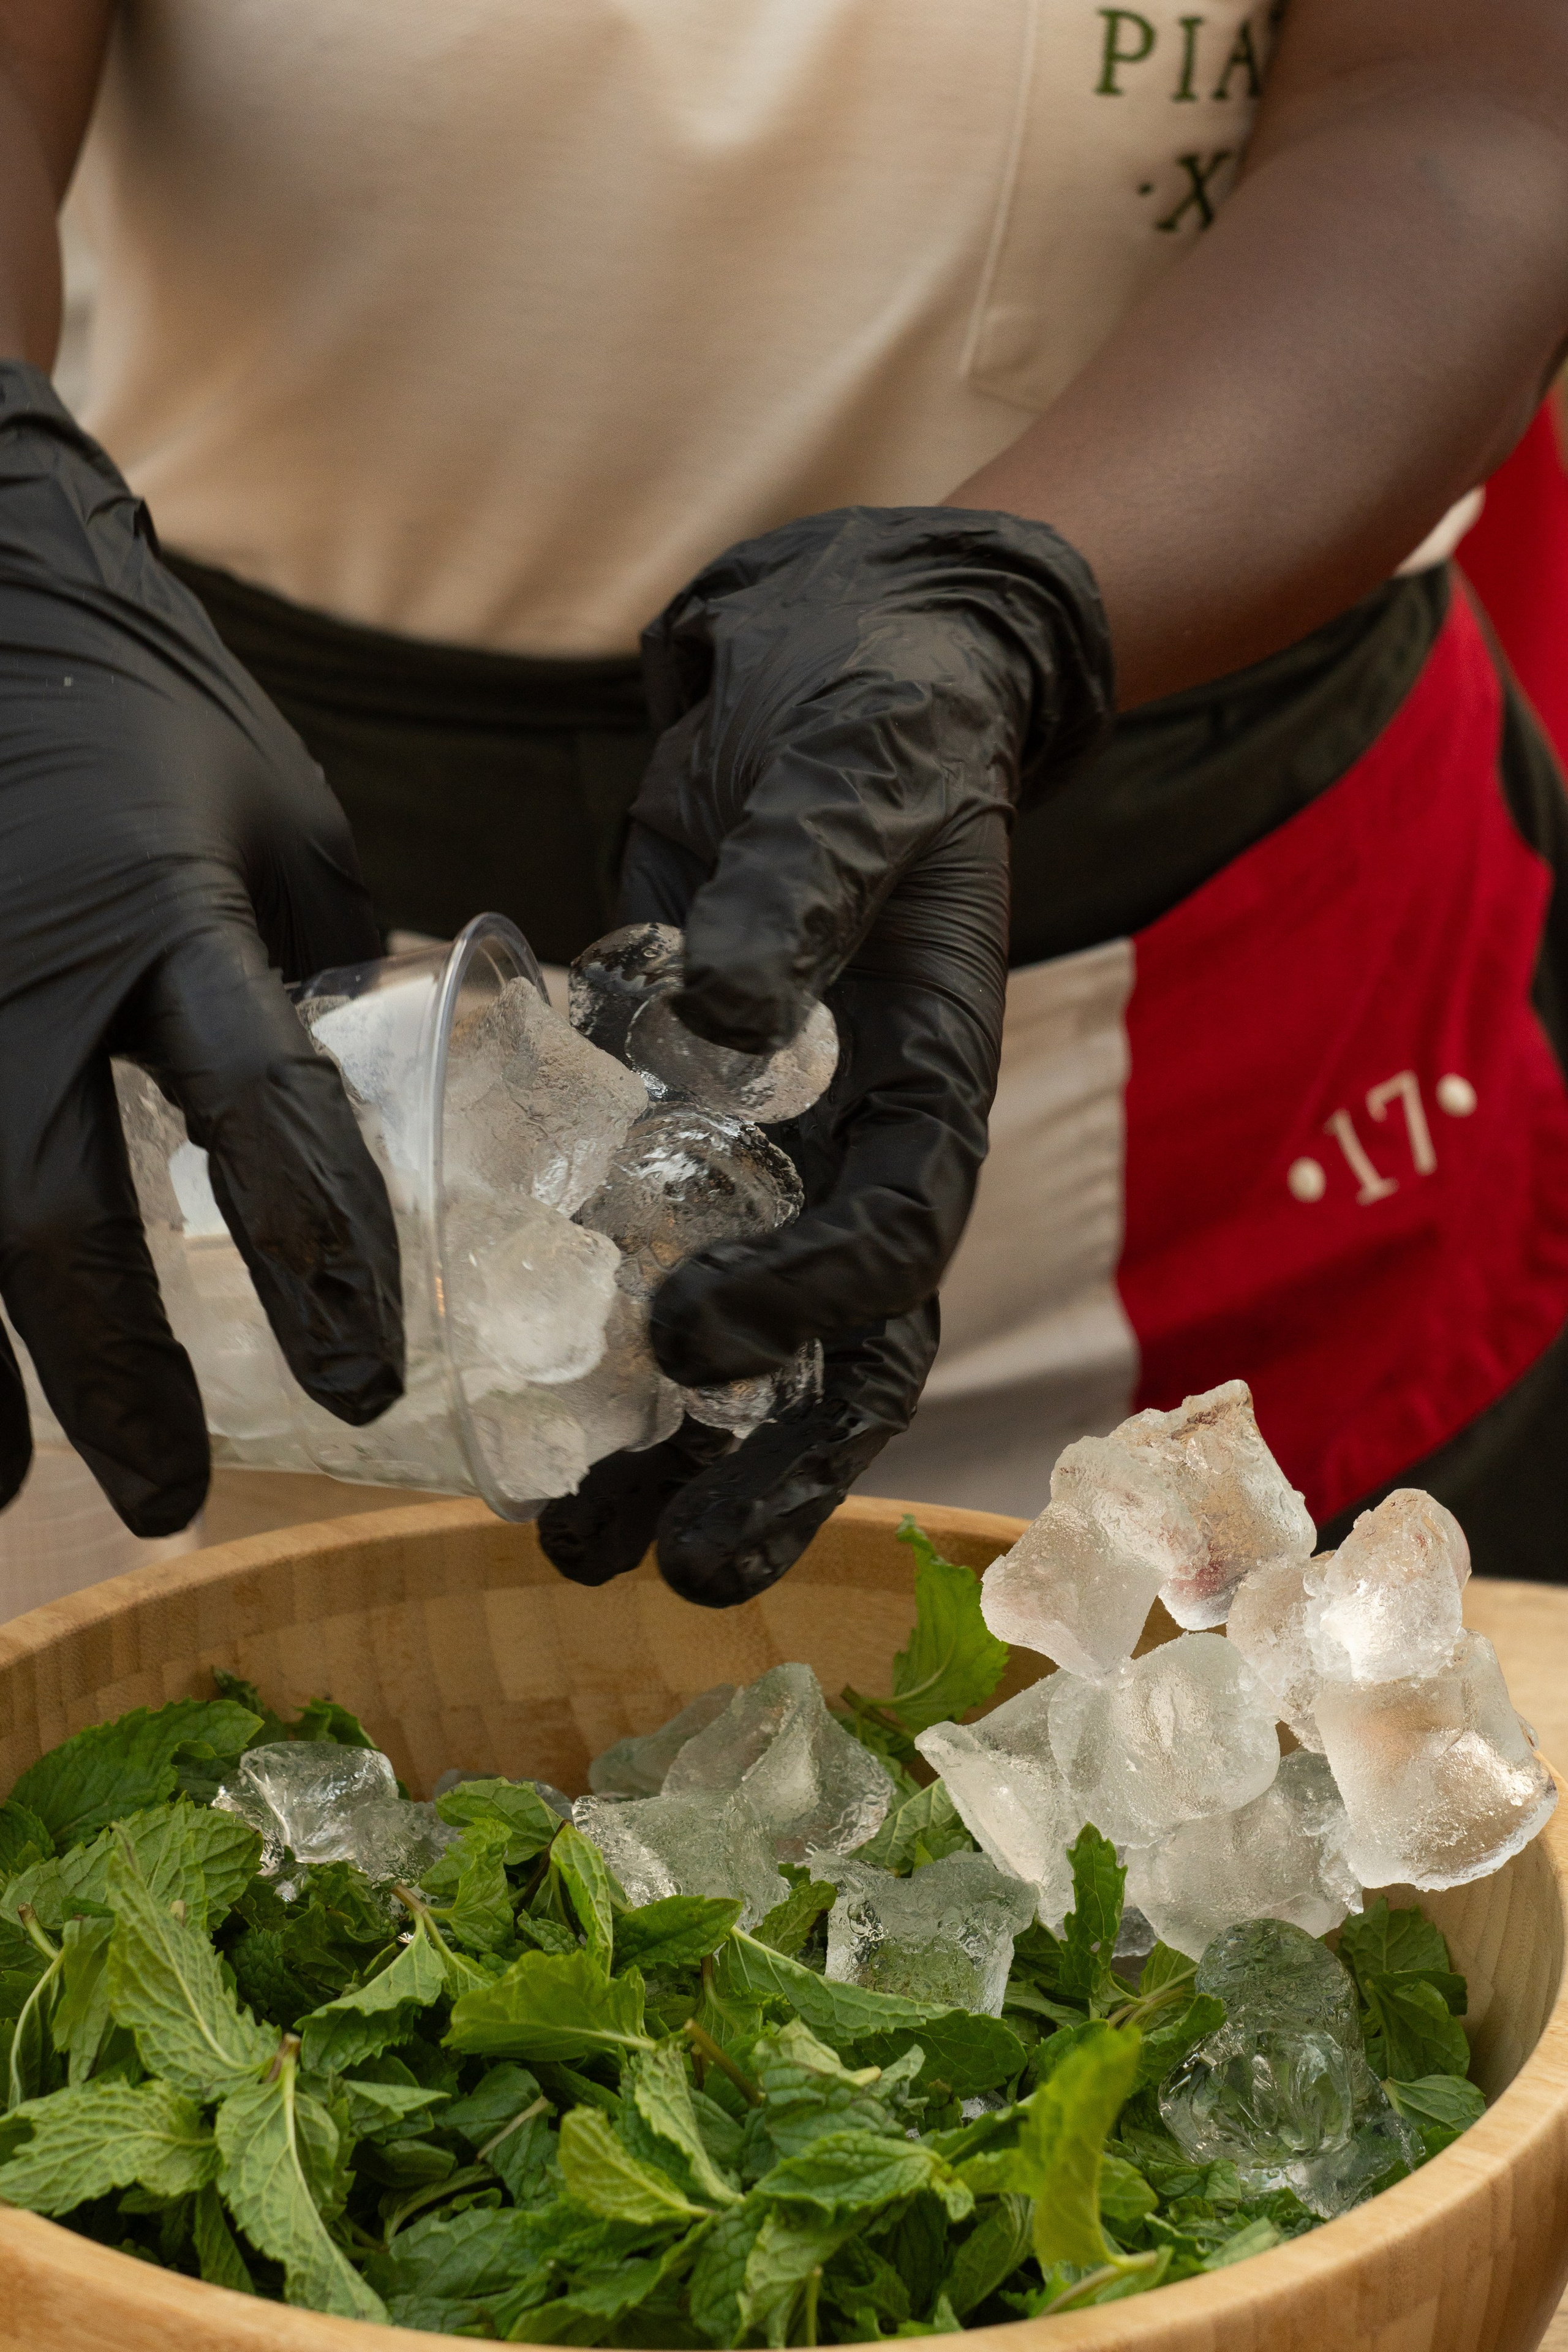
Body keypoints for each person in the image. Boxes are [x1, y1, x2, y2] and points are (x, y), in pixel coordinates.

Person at [1, 1, 1566, 1609]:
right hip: (197, 914)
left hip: (1195, 1007)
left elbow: (1467, 107)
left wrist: (999, 615)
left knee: (1275, 1782)